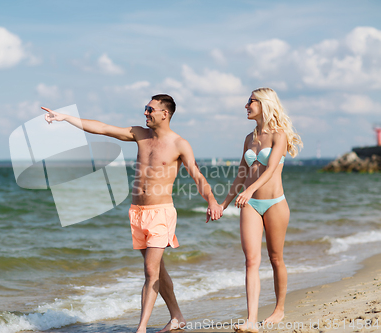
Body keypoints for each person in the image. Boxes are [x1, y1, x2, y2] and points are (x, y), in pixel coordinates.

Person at [42, 94, 224, 333]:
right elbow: (103, 128)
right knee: (157, 270)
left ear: (164, 113)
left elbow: (197, 176)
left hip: (161, 213)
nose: (146, 113)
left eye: (150, 109)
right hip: (137, 212)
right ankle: (177, 316)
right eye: (146, 108)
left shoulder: (179, 144)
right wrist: (66, 117)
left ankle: (141, 328)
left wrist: (211, 199)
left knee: (150, 270)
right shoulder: (140, 134)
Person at [219, 88, 302, 333]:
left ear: (264, 104)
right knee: (251, 261)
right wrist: (223, 204)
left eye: (250, 101)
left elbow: (271, 169)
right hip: (251, 205)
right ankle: (251, 320)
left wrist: (249, 190)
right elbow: (241, 174)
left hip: (275, 203)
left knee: (275, 258)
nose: (246, 105)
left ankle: (279, 309)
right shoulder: (249, 138)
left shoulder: (280, 135)